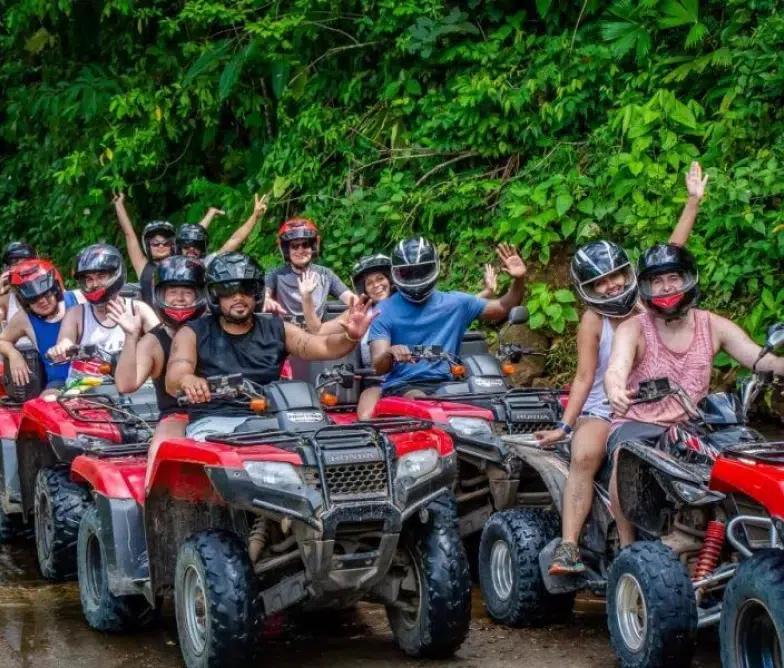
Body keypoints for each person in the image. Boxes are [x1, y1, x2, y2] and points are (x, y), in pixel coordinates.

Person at [539, 161, 710, 576]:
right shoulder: (593, 321)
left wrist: (693, 201)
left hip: (659, 402)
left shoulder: (649, 304)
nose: (612, 286)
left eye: (616, 276)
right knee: (587, 456)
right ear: (588, 290)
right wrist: (565, 425)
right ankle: (570, 545)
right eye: (600, 283)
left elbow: (670, 253)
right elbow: (583, 377)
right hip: (606, 407)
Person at [604, 243, 784, 548]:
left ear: (689, 278)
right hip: (639, 422)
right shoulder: (634, 328)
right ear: (645, 286)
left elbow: (759, 359)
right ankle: (628, 546)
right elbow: (616, 367)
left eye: (673, 278)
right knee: (627, 456)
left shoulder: (711, 325)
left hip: (695, 423)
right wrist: (616, 388)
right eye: (657, 281)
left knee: (748, 457)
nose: (666, 288)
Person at [165, 253, 374, 440]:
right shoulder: (192, 332)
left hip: (273, 420)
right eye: (227, 290)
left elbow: (323, 346)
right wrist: (188, 380)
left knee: (324, 442)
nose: (238, 297)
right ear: (214, 295)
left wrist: (350, 336)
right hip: (216, 422)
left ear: (256, 292)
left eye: (246, 288)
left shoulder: (277, 328)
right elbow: (175, 375)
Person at [307, 255, 499, 419]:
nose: (377, 286)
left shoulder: (410, 304)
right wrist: (307, 297)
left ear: (391, 279)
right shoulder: (359, 311)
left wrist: (487, 292)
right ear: (363, 288)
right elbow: (318, 330)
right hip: (377, 380)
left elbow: (450, 306)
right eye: (370, 283)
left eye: (380, 279)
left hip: (413, 377)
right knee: (366, 416)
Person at [368, 237, 526, 397]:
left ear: (434, 267)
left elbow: (503, 306)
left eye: (421, 270)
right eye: (407, 272)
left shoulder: (456, 303)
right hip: (403, 388)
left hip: (450, 388)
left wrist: (519, 279)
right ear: (395, 273)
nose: (415, 278)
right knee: (418, 397)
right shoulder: (384, 311)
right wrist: (389, 352)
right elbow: (378, 366)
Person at [108, 256, 207, 486]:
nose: (180, 298)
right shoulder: (154, 340)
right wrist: (131, 336)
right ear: (159, 296)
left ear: (200, 295)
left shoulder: (215, 328)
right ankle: (151, 508)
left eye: (187, 291)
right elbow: (126, 384)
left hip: (223, 411)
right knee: (159, 452)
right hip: (177, 414)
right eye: (172, 291)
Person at [47, 244, 158, 370]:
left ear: (116, 275)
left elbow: (161, 342)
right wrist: (61, 349)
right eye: (89, 279)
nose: (95, 284)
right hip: (85, 384)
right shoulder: (76, 313)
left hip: (130, 382)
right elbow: (66, 340)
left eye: (101, 277)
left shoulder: (139, 310)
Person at [113, 192, 222, 305]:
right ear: (148, 246)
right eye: (155, 243)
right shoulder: (143, 266)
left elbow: (193, 235)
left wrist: (210, 214)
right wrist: (119, 204)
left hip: (181, 316)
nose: (161, 246)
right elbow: (129, 234)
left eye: (166, 243)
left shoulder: (181, 263)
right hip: (152, 320)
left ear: (173, 245)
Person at [0, 259, 80, 396]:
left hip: (92, 375)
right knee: (46, 403)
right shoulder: (24, 318)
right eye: (33, 298)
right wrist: (13, 355)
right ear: (24, 300)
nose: (42, 301)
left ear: (55, 290)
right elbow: (3, 340)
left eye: (46, 294)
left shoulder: (79, 300)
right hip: (59, 383)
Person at [264, 218, 356, 325]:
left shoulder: (325, 274)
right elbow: (265, 293)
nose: (300, 250)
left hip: (316, 333)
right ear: (286, 250)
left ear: (313, 247)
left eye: (305, 245)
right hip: (285, 334)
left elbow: (351, 299)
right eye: (294, 246)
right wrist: (267, 300)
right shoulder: (277, 275)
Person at [176, 194, 270, 265]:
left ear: (202, 249)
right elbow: (194, 233)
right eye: (187, 246)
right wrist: (211, 214)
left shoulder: (206, 263)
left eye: (197, 246)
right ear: (180, 247)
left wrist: (255, 216)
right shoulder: (171, 263)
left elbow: (235, 240)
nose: (192, 249)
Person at [0, 241, 39, 330]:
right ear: (6, 268)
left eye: (27, 261)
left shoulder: (49, 288)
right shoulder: (6, 300)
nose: (22, 266)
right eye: (15, 262)